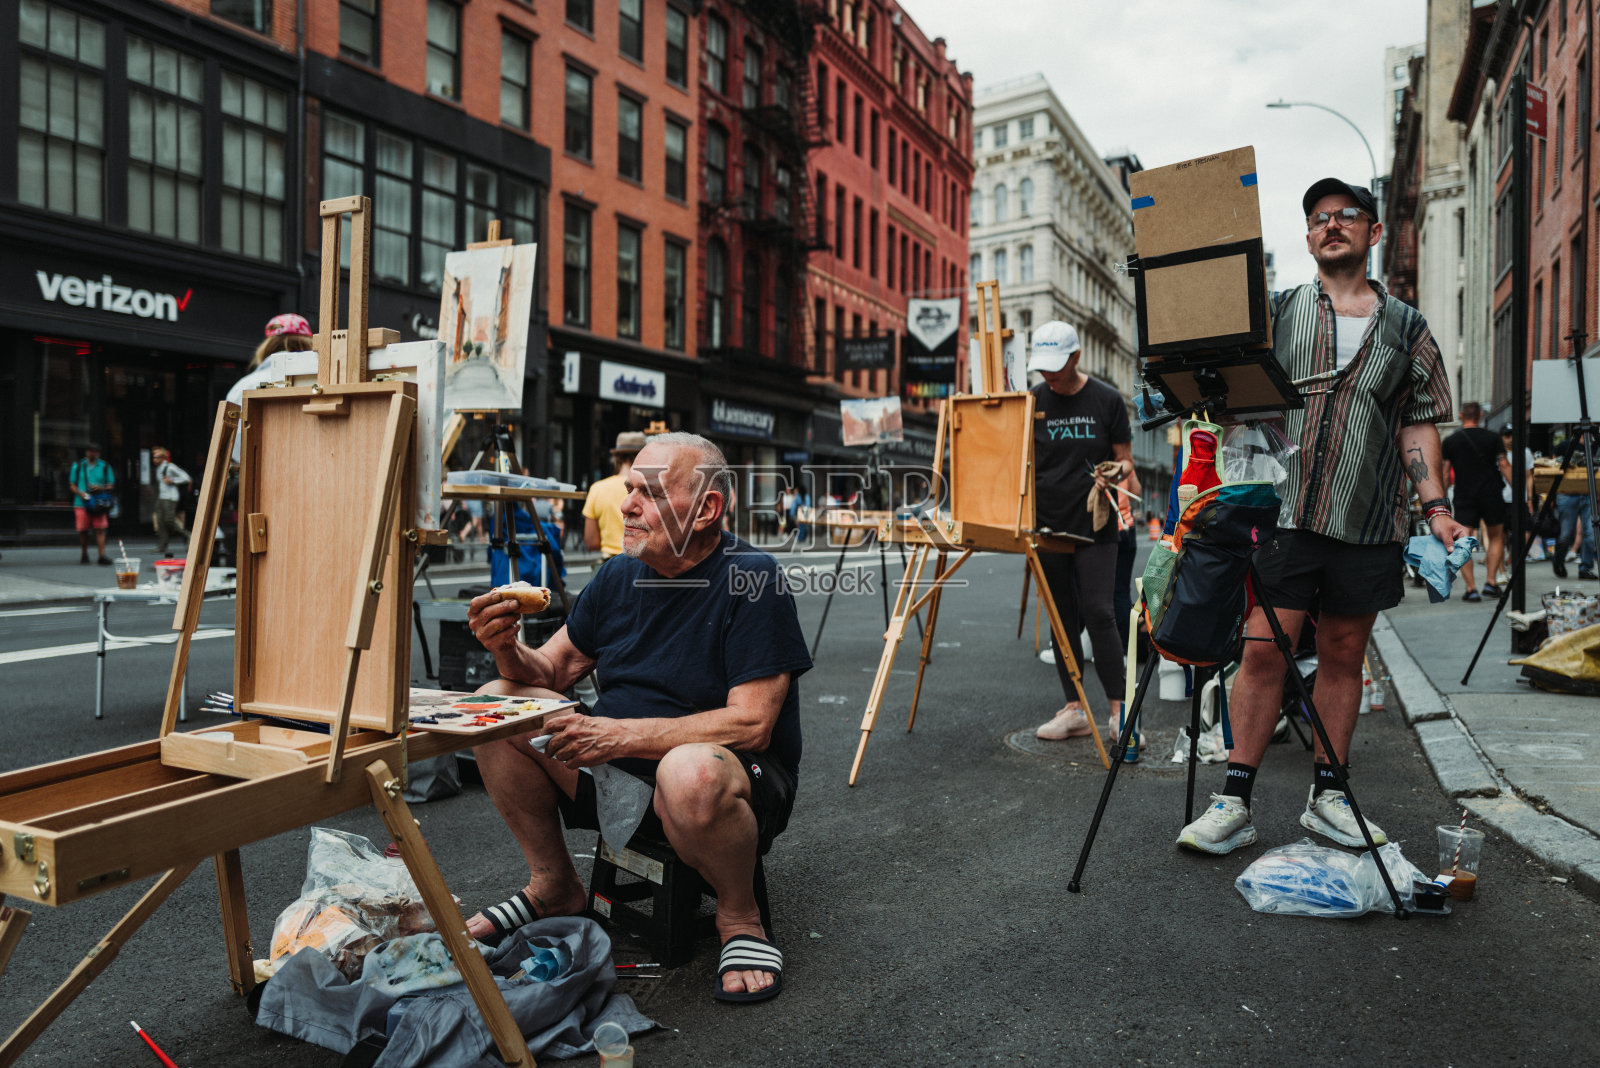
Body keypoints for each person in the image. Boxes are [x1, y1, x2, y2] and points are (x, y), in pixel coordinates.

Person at [1176, 177, 1471, 855]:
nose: (1331, 224)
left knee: (1342, 655)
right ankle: (1234, 802)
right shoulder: (1278, 312)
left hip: (1368, 519)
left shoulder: (1407, 327)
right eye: (1318, 218)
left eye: (1346, 215)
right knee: (1261, 651)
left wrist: (1436, 509)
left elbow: (1419, 423)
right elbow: (1231, 395)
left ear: (1373, 232)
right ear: (1308, 238)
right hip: (1284, 514)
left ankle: (1329, 797)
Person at [464, 432, 811, 1003]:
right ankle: (553, 884)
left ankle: (740, 918)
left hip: (724, 784)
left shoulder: (753, 578)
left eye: (649, 493)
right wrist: (505, 646)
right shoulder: (618, 575)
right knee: (495, 703)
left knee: (688, 771)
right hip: (614, 774)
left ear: (707, 509)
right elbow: (549, 671)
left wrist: (618, 735)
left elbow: (752, 725)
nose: (626, 505)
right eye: (630, 489)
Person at [1026, 320, 1134, 746]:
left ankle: (1120, 713)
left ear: (1076, 356)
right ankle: (1074, 709)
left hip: (1095, 522)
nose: (1048, 374)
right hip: (1047, 522)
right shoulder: (1032, 400)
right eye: (1043, 366)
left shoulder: (1106, 399)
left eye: (1057, 365)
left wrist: (1115, 471)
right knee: (1061, 616)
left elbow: (1126, 460)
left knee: (1100, 612)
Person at [1441, 403, 1511, 602]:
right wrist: (1520, 488)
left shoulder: (1451, 441)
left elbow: (1445, 473)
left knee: (1463, 542)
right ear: (1480, 415)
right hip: (1491, 494)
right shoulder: (1493, 438)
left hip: (1464, 496)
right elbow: (1504, 464)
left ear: (1461, 415)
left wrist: (1442, 500)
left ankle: (1471, 589)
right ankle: (1491, 582)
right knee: (1496, 537)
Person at [581, 431, 643, 561]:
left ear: (616, 459)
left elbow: (591, 542)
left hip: (610, 562)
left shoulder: (597, 488)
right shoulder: (649, 489)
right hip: (642, 561)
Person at [69, 443, 116, 565]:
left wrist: (100, 488)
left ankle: (102, 555)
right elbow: (72, 485)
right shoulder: (78, 465)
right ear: (86, 452)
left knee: (100, 529)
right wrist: (81, 494)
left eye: (94, 452)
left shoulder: (105, 466)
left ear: (98, 453)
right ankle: (84, 554)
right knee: (83, 530)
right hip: (81, 503)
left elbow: (111, 485)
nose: (92, 454)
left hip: (99, 502)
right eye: (90, 451)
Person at [151, 446, 192, 557]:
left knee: (169, 520)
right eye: (154, 457)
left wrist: (172, 480)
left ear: (163, 458)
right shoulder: (158, 468)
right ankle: (162, 545)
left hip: (170, 497)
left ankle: (187, 535)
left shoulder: (170, 467)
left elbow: (186, 477)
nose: (154, 459)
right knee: (160, 521)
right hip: (162, 497)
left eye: (157, 457)